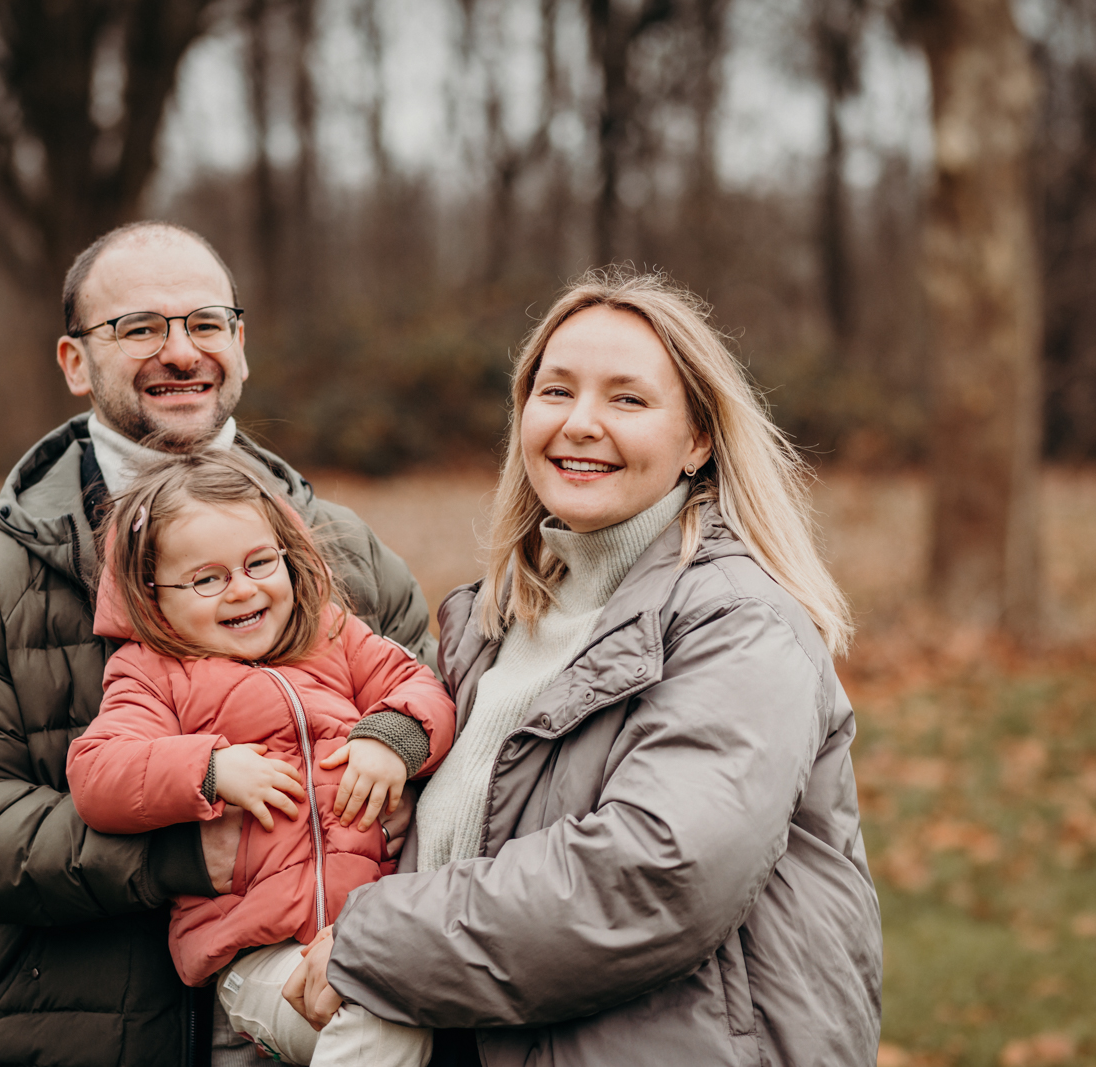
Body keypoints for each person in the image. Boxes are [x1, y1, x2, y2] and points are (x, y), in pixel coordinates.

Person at [284, 269, 884, 1066]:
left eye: (628, 400)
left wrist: (375, 940)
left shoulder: (740, 621)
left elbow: (656, 873)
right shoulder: (490, 620)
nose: (580, 424)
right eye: (555, 391)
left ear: (698, 439)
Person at [0, 221, 436, 1067]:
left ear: (240, 347)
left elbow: (444, 744)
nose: (180, 351)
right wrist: (173, 852)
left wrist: (395, 803)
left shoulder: (345, 553)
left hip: (322, 1003)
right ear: (75, 362)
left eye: (205, 324)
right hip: (67, 1038)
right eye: (138, 327)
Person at [67, 448, 454, 1067]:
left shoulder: (331, 634)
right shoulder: (152, 675)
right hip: (254, 957)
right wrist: (210, 769)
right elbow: (98, 772)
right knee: (383, 1025)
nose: (243, 589)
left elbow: (422, 687)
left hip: (363, 930)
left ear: (288, 557)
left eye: (258, 562)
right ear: (152, 593)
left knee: (394, 1010)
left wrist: (392, 738)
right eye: (207, 578)